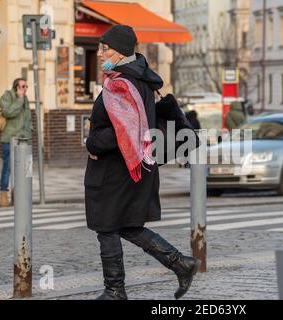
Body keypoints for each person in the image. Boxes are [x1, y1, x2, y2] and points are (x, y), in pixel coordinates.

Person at [84, 25, 200, 300]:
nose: (100, 53)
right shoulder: (134, 78)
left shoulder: (124, 82)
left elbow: (125, 129)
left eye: (105, 48)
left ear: (121, 51)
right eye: (100, 47)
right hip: (130, 166)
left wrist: (93, 142)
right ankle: (181, 264)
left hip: (119, 169)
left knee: (107, 226)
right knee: (127, 226)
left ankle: (115, 291)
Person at [0, 78, 31, 207]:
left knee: (22, 169)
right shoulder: (8, 96)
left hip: (23, 140)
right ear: (16, 87)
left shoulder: (25, 98)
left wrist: (28, 136)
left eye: (26, 86)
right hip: (10, 139)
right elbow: (8, 112)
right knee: (7, 168)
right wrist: (19, 98)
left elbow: (27, 120)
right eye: (23, 86)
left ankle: (17, 196)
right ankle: (3, 195)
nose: (25, 89)